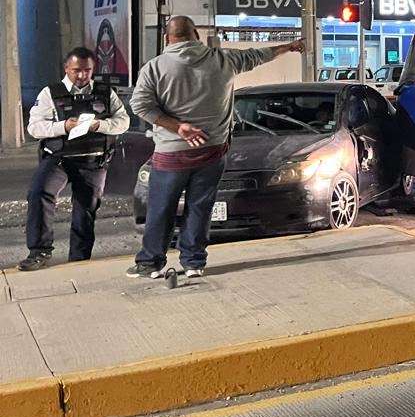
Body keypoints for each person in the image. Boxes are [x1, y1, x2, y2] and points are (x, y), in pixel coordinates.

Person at [126, 17, 304, 279]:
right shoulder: (223, 60)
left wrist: (178, 127)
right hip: (212, 152)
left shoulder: (154, 68)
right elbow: (259, 55)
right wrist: (289, 46)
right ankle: (193, 262)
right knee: (200, 207)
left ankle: (150, 262)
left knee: (161, 208)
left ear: (167, 38)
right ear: (196, 34)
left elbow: (140, 105)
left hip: (171, 154)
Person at [19, 47, 130, 270]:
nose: (81, 76)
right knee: (39, 193)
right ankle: (39, 251)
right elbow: (34, 127)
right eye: (76, 70)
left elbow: (123, 121)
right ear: (66, 68)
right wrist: (63, 126)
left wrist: (100, 124)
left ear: (93, 70)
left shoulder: (105, 92)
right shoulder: (51, 93)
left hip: (93, 160)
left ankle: (79, 259)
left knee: (85, 209)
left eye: (87, 71)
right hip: (58, 158)